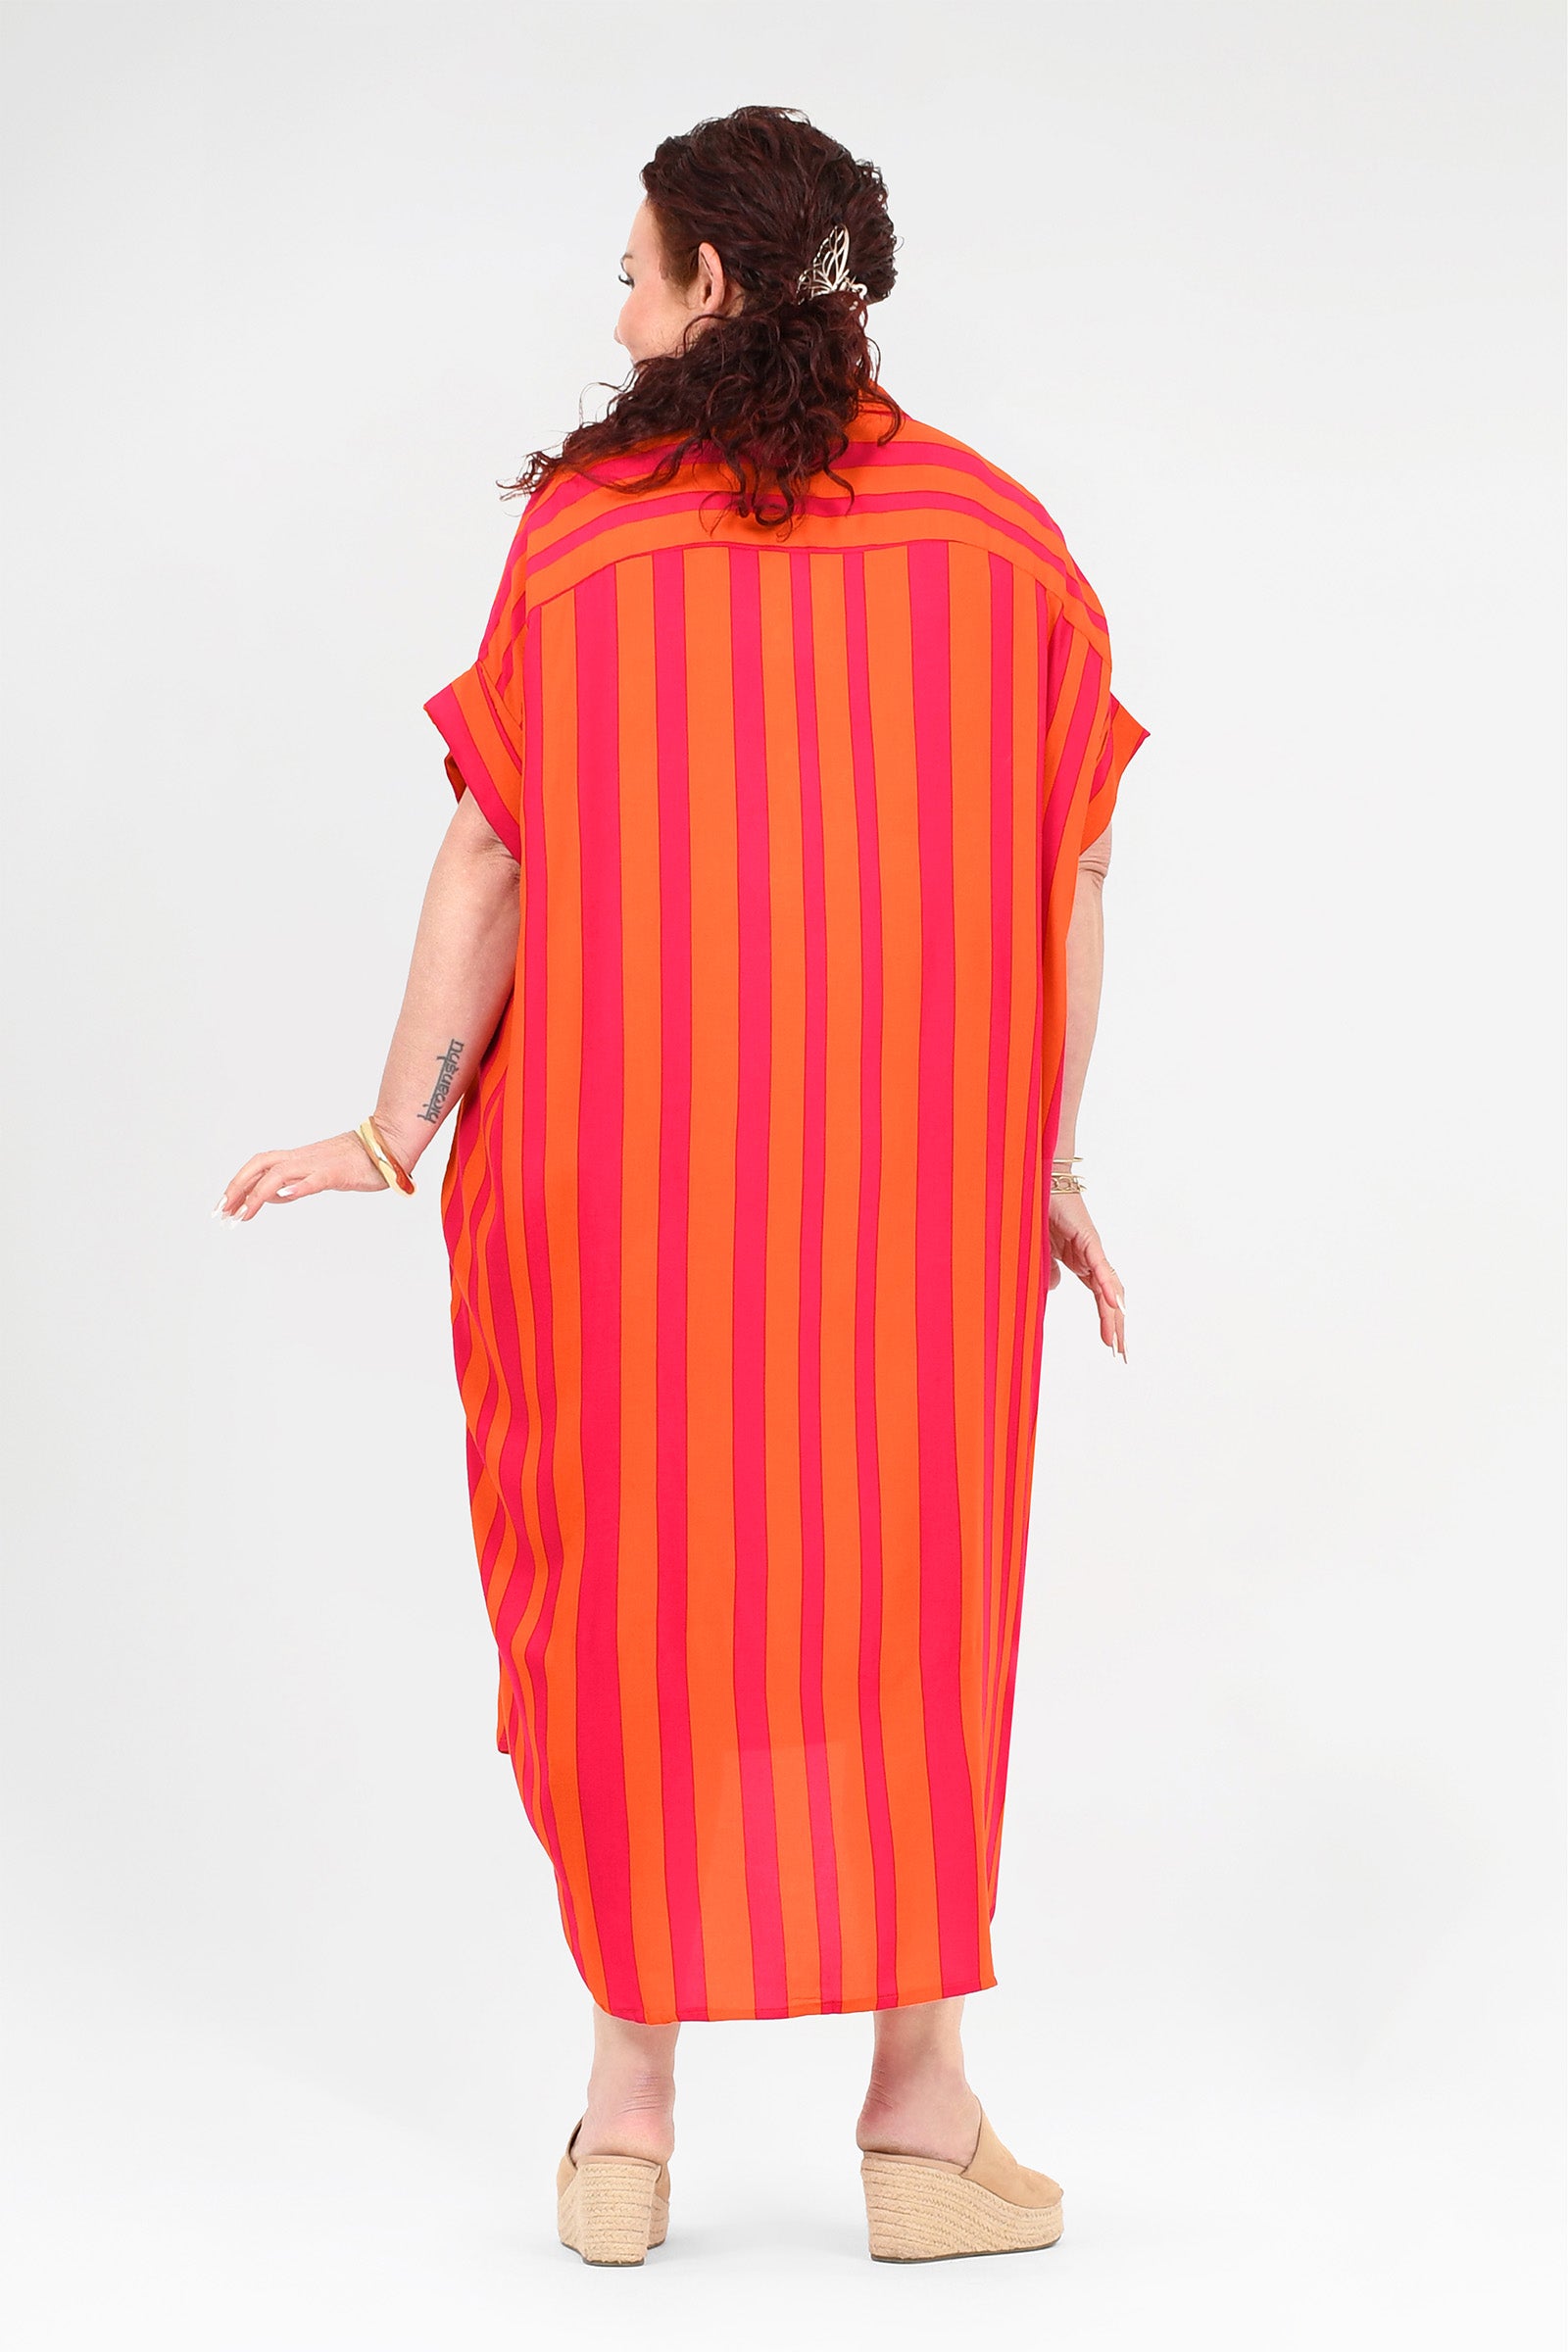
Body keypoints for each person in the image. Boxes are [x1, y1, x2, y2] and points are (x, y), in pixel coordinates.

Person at [218, 103, 1149, 2267]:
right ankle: (916, 2119)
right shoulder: (1000, 542)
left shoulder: (588, 543)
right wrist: (1044, 1166)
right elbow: (1071, 877)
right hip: (908, 1209)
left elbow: (491, 848)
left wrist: (396, 1126)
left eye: (634, 275)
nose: (619, 315)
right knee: (906, 1601)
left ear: (713, 284)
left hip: (627, 1201)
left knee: (649, 1605)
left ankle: (625, 2131)